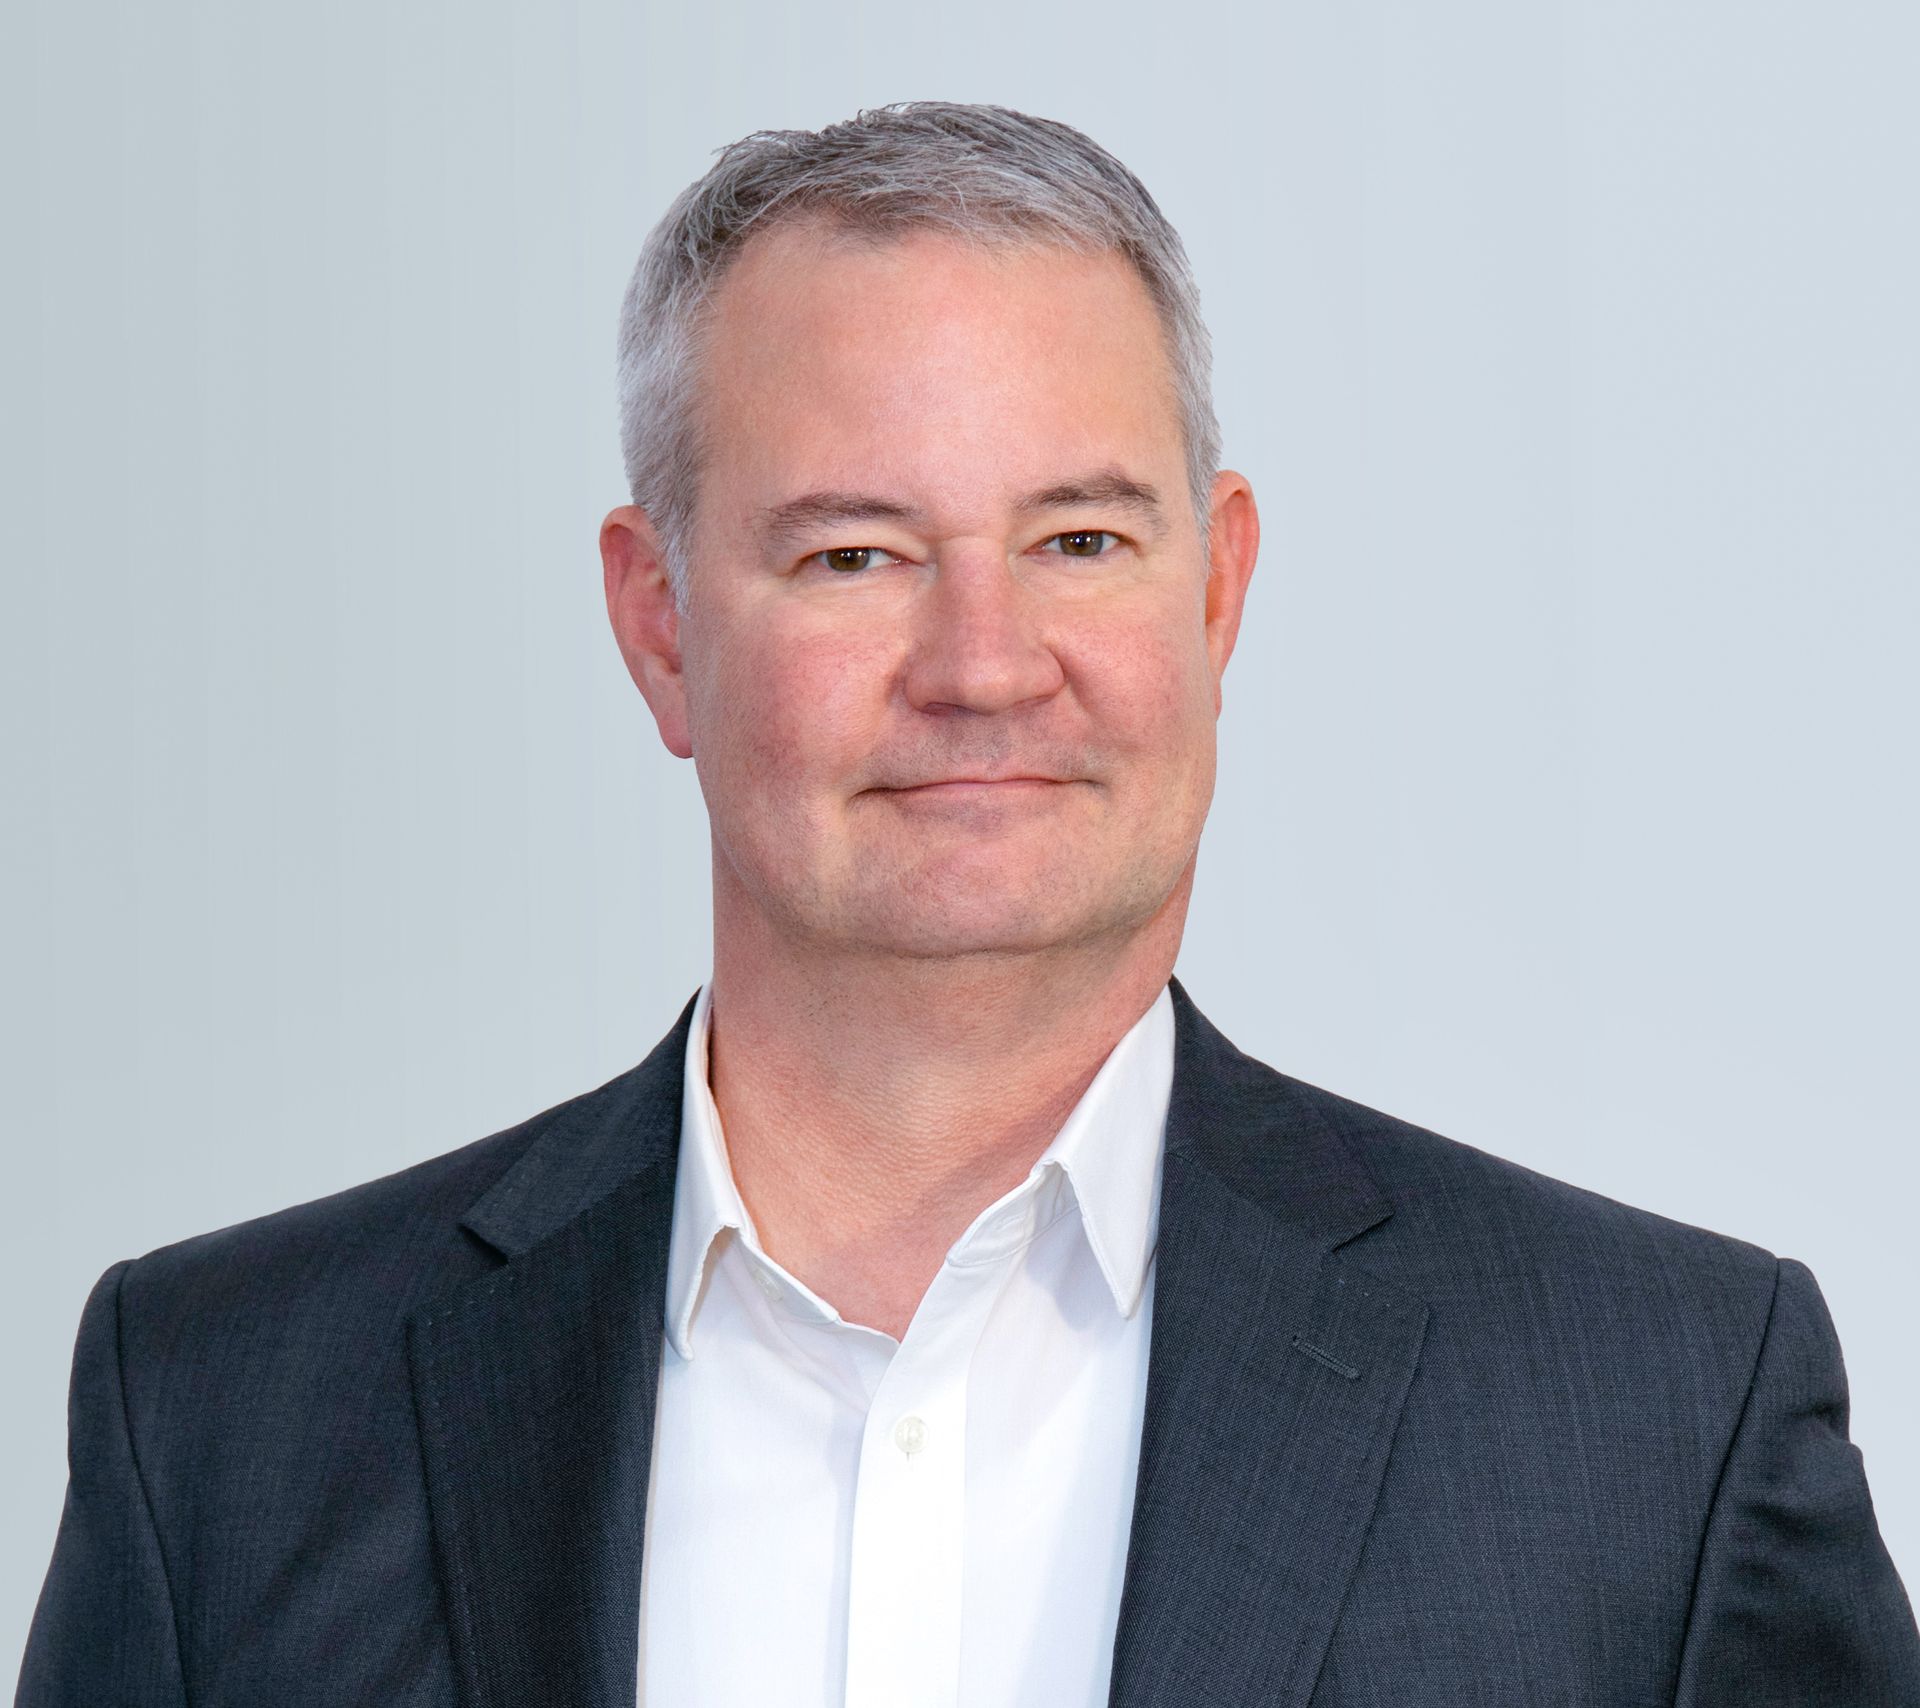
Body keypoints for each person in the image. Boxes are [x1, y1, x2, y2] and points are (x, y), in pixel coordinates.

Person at [15, 101, 1917, 1708]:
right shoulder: (221, 1420)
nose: (986, 664)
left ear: (1219, 590)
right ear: (657, 625)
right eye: (856, 553)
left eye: (1079, 540)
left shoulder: (1658, 1422)